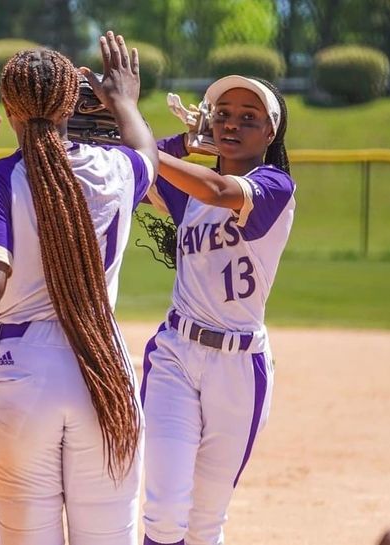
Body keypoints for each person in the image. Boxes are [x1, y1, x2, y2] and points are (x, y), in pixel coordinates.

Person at [0, 35, 158, 544]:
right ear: (71, 104)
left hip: (20, 369)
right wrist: (124, 100)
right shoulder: (118, 169)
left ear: (10, 108)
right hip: (104, 369)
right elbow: (145, 150)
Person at [140, 74, 295, 545]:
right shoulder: (185, 189)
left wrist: (147, 150)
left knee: (204, 522)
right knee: (164, 513)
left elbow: (218, 190)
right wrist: (185, 142)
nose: (232, 124)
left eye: (249, 118)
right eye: (222, 114)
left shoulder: (274, 185)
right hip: (175, 355)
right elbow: (134, 171)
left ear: (270, 132)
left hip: (239, 368)